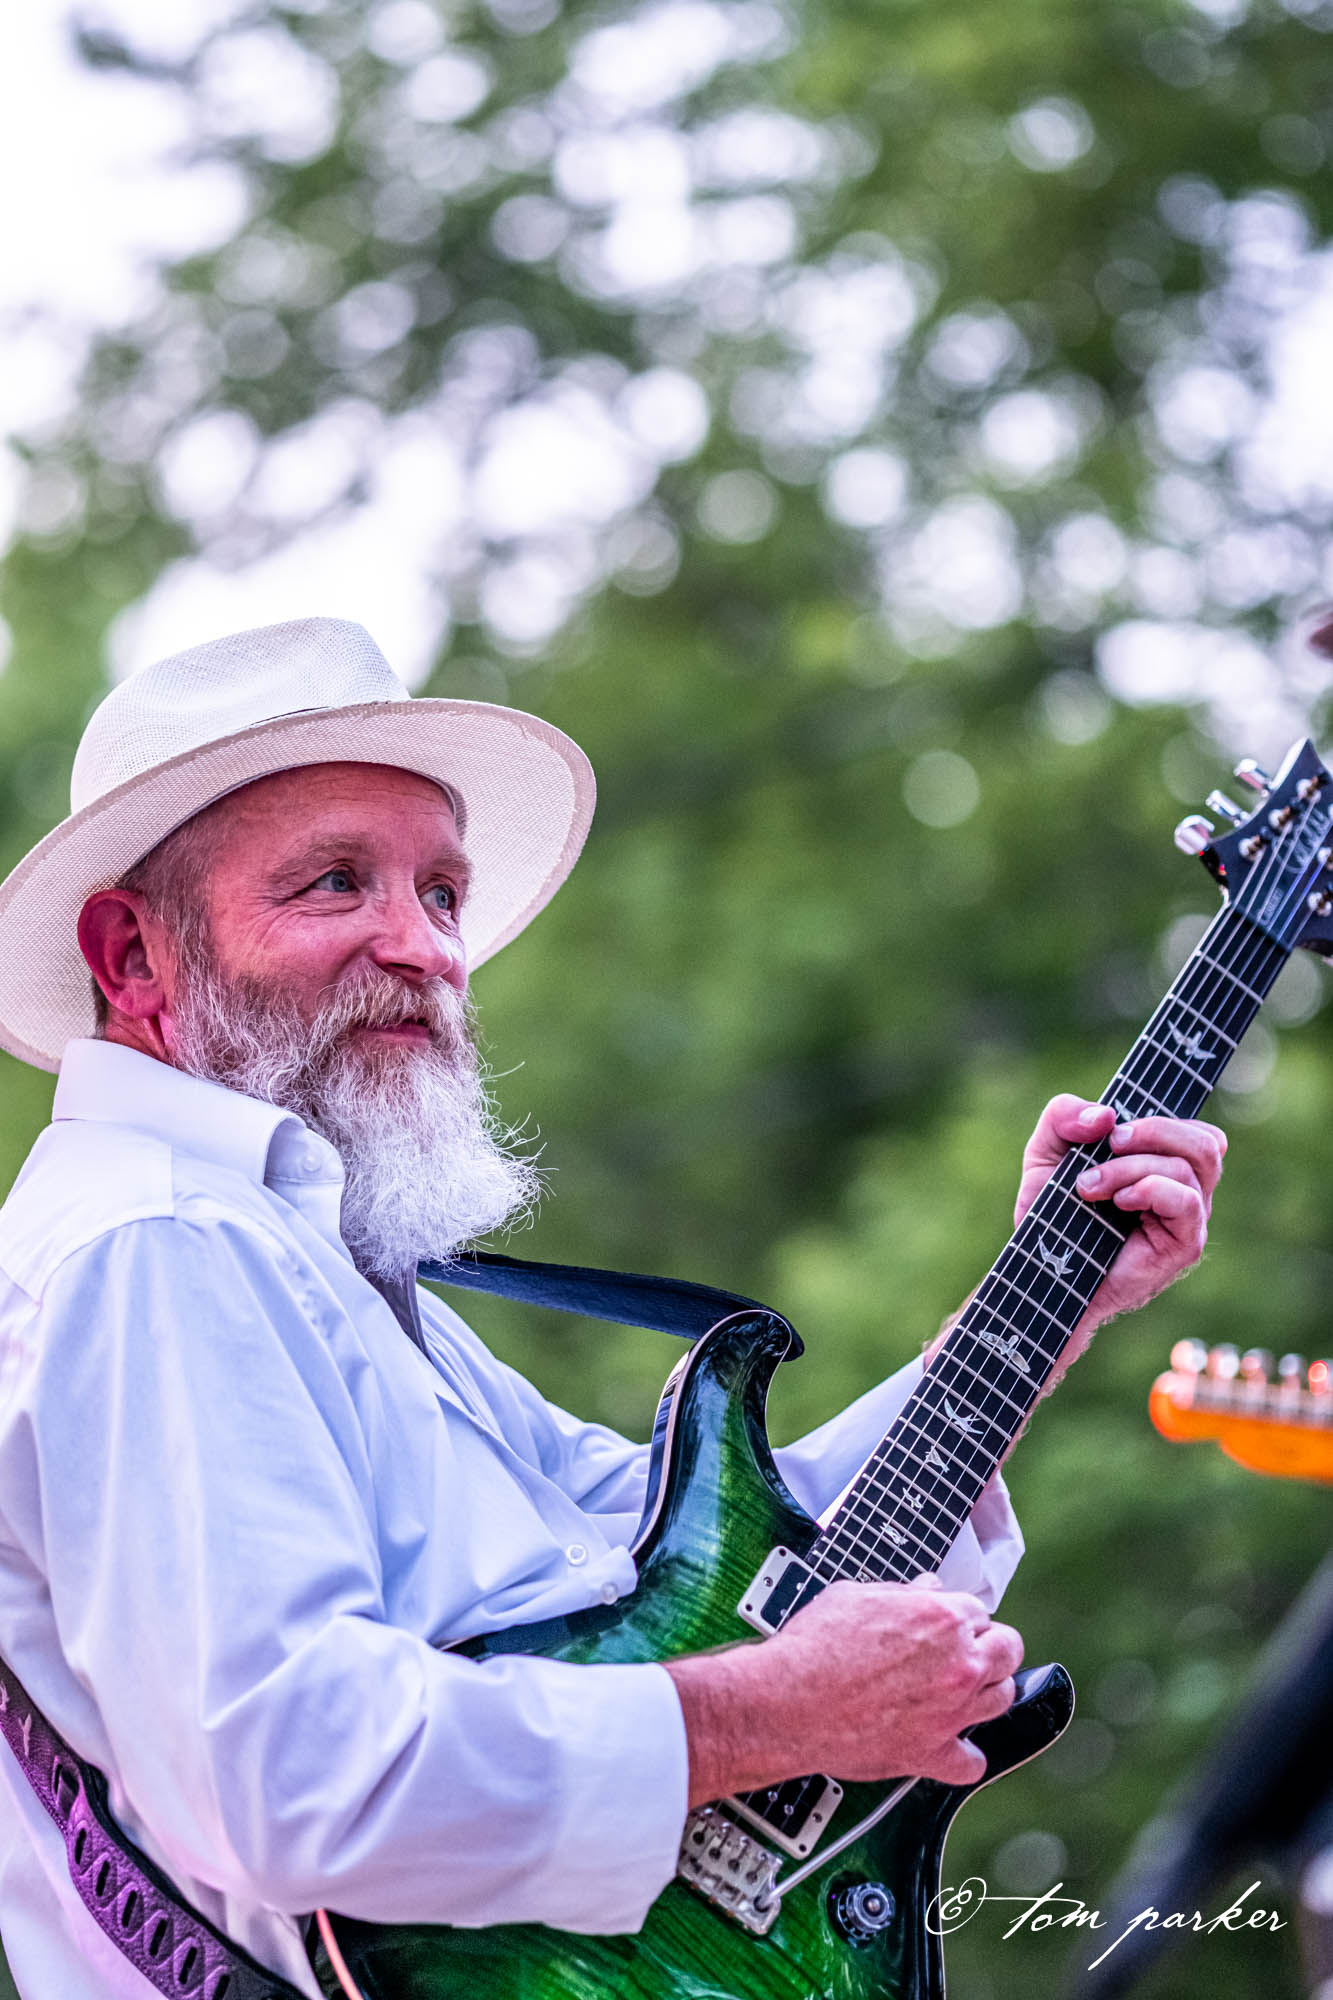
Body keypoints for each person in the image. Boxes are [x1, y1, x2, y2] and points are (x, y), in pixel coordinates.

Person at [0, 619, 1224, 1998]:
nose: (423, 948)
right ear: (134, 956)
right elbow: (295, 1777)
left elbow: (709, 1575)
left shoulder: (296, 1254)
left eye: (443, 893)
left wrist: (1044, 1301)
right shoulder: (156, 1245)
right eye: (337, 882)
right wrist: (771, 1712)